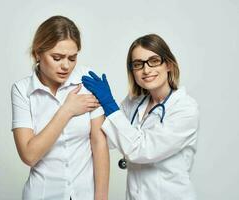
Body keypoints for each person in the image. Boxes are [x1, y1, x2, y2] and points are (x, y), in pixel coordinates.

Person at [82, 34, 199, 200]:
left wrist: (108, 103)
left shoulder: (185, 109)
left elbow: (141, 150)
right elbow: (107, 139)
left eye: (154, 61)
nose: (146, 70)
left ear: (169, 65)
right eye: (138, 64)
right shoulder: (134, 103)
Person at [11, 15, 109, 200]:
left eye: (72, 58)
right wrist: (67, 110)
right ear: (37, 53)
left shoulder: (87, 81)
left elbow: (99, 142)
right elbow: (29, 155)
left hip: (84, 194)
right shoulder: (22, 90)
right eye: (57, 57)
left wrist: (101, 197)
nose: (66, 66)